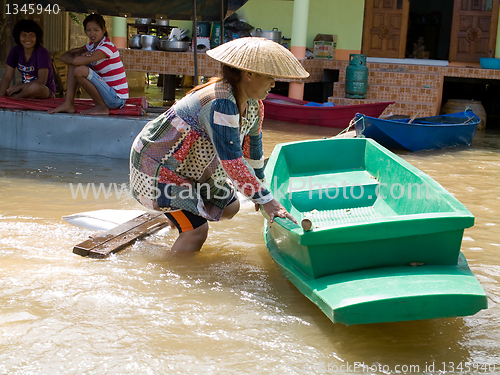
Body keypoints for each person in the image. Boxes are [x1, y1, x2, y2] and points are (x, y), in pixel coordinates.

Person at [129, 37, 309, 252]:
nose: (273, 83)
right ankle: (174, 265)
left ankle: (176, 219)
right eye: (269, 77)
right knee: (197, 232)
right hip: (159, 166)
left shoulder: (255, 105)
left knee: (230, 207)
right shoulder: (221, 102)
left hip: (191, 168)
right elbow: (232, 160)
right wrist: (267, 201)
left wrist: (261, 189)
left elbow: (253, 150)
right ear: (248, 73)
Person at [49, 14, 128, 115]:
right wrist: (80, 55)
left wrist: (79, 57)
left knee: (79, 70)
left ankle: (101, 107)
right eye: (88, 30)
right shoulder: (91, 46)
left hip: (116, 99)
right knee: (74, 66)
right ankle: (68, 103)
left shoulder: (107, 47)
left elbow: (76, 60)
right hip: (107, 94)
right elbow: (64, 56)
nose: (92, 34)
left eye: (96, 30)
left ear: (104, 30)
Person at [0, 19, 56, 98]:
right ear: (18, 36)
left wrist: (18, 87)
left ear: (37, 37)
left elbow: (41, 81)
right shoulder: (15, 51)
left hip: (44, 92)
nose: (28, 39)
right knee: (8, 91)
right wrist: (1, 98)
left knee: (35, 87)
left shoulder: (42, 52)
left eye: (32, 35)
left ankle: (16, 98)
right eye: (24, 35)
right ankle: (18, 97)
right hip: (25, 90)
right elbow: (7, 77)